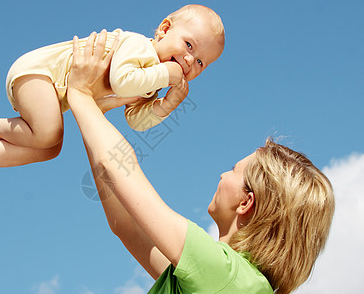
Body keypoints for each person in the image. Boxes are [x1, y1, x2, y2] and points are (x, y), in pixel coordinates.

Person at [66, 32, 335, 293]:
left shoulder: (229, 279)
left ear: (246, 202)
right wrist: (94, 113)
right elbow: (125, 225)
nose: (221, 175)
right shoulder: (227, 282)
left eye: (233, 171)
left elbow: (120, 170)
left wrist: (80, 93)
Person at [0, 4, 225, 196]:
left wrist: (165, 105)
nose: (190, 60)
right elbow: (122, 81)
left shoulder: (151, 82)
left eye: (201, 62)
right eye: (189, 45)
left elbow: (135, 120)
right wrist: (164, 73)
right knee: (49, 132)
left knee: (51, 147)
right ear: (164, 30)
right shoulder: (138, 46)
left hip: (51, 91)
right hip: (39, 72)